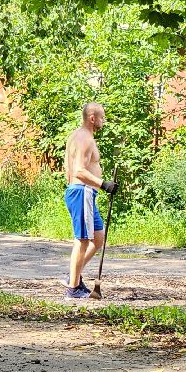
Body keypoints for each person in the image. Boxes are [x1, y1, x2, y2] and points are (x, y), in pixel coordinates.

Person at [63, 103, 117, 298]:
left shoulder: (78, 136)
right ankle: (73, 288)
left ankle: (74, 275)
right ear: (92, 118)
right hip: (82, 192)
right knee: (83, 240)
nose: (104, 121)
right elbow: (79, 170)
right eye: (102, 117)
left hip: (85, 193)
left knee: (98, 237)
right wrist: (104, 184)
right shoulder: (84, 138)